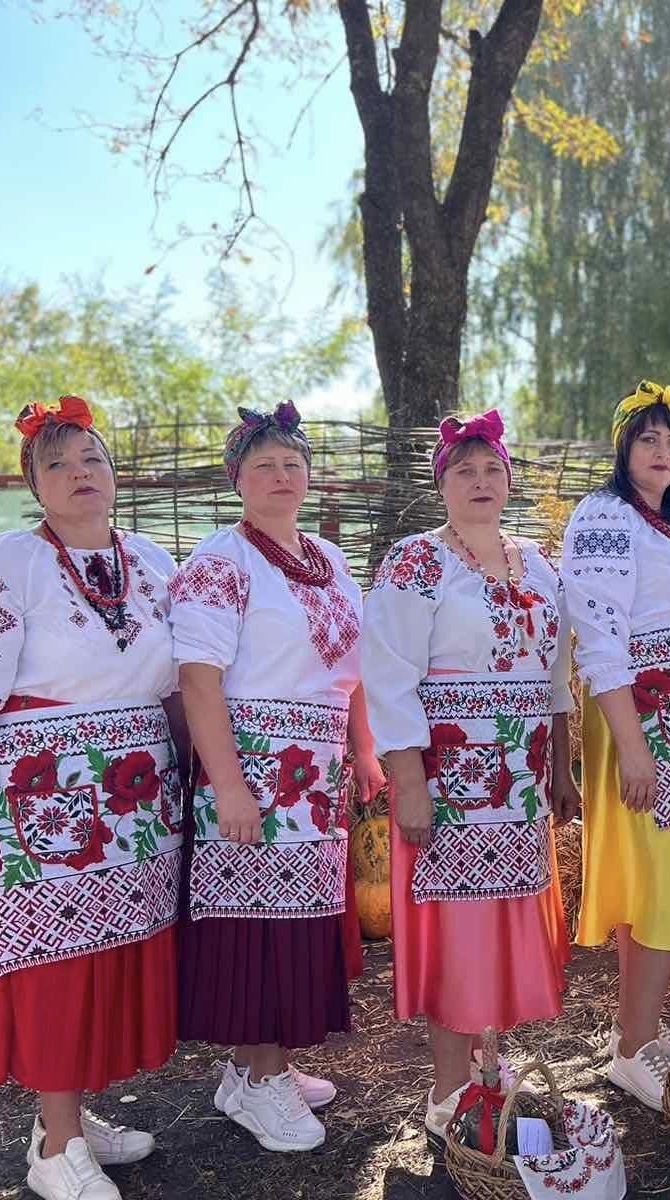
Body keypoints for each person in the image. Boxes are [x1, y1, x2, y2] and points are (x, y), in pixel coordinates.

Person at [0, 396, 184, 1200]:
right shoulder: (9, 562)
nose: (80, 475)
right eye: (58, 465)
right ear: (33, 484)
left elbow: (178, 685)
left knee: (111, 954)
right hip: (43, 795)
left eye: (92, 461)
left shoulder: (152, 562)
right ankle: (55, 1152)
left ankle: (67, 1119)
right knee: (56, 963)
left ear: (114, 475)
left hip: (139, 796)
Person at [168, 403, 383, 1153]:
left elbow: (351, 671)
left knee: (299, 919)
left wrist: (361, 750)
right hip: (253, 762)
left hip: (317, 769)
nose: (282, 475)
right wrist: (227, 784)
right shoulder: (219, 564)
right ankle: (263, 1078)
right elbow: (199, 680)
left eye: (293, 463)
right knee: (256, 924)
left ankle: (252, 1070)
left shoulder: (328, 557)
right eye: (264, 465)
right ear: (237, 480)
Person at [363, 409, 580, 1137]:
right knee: (457, 931)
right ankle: (449, 1090)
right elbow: (389, 676)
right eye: (465, 471)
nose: (480, 482)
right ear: (442, 484)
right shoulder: (416, 561)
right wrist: (411, 782)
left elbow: (554, 676)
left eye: (492, 470)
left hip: (517, 782)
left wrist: (562, 766)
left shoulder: (538, 564)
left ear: (509, 481)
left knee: (502, 923)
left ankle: (492, 1064)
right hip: (450, 780)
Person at [560, 381, 670, 1110]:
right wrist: (632, 748)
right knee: (655, 875)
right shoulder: (604, 516)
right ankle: (632, 1051)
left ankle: (640, 1026)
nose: (661, 450)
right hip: (643, 716)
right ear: (622, 447)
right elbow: (598, 637)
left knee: (657, 879)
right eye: (647, 438)